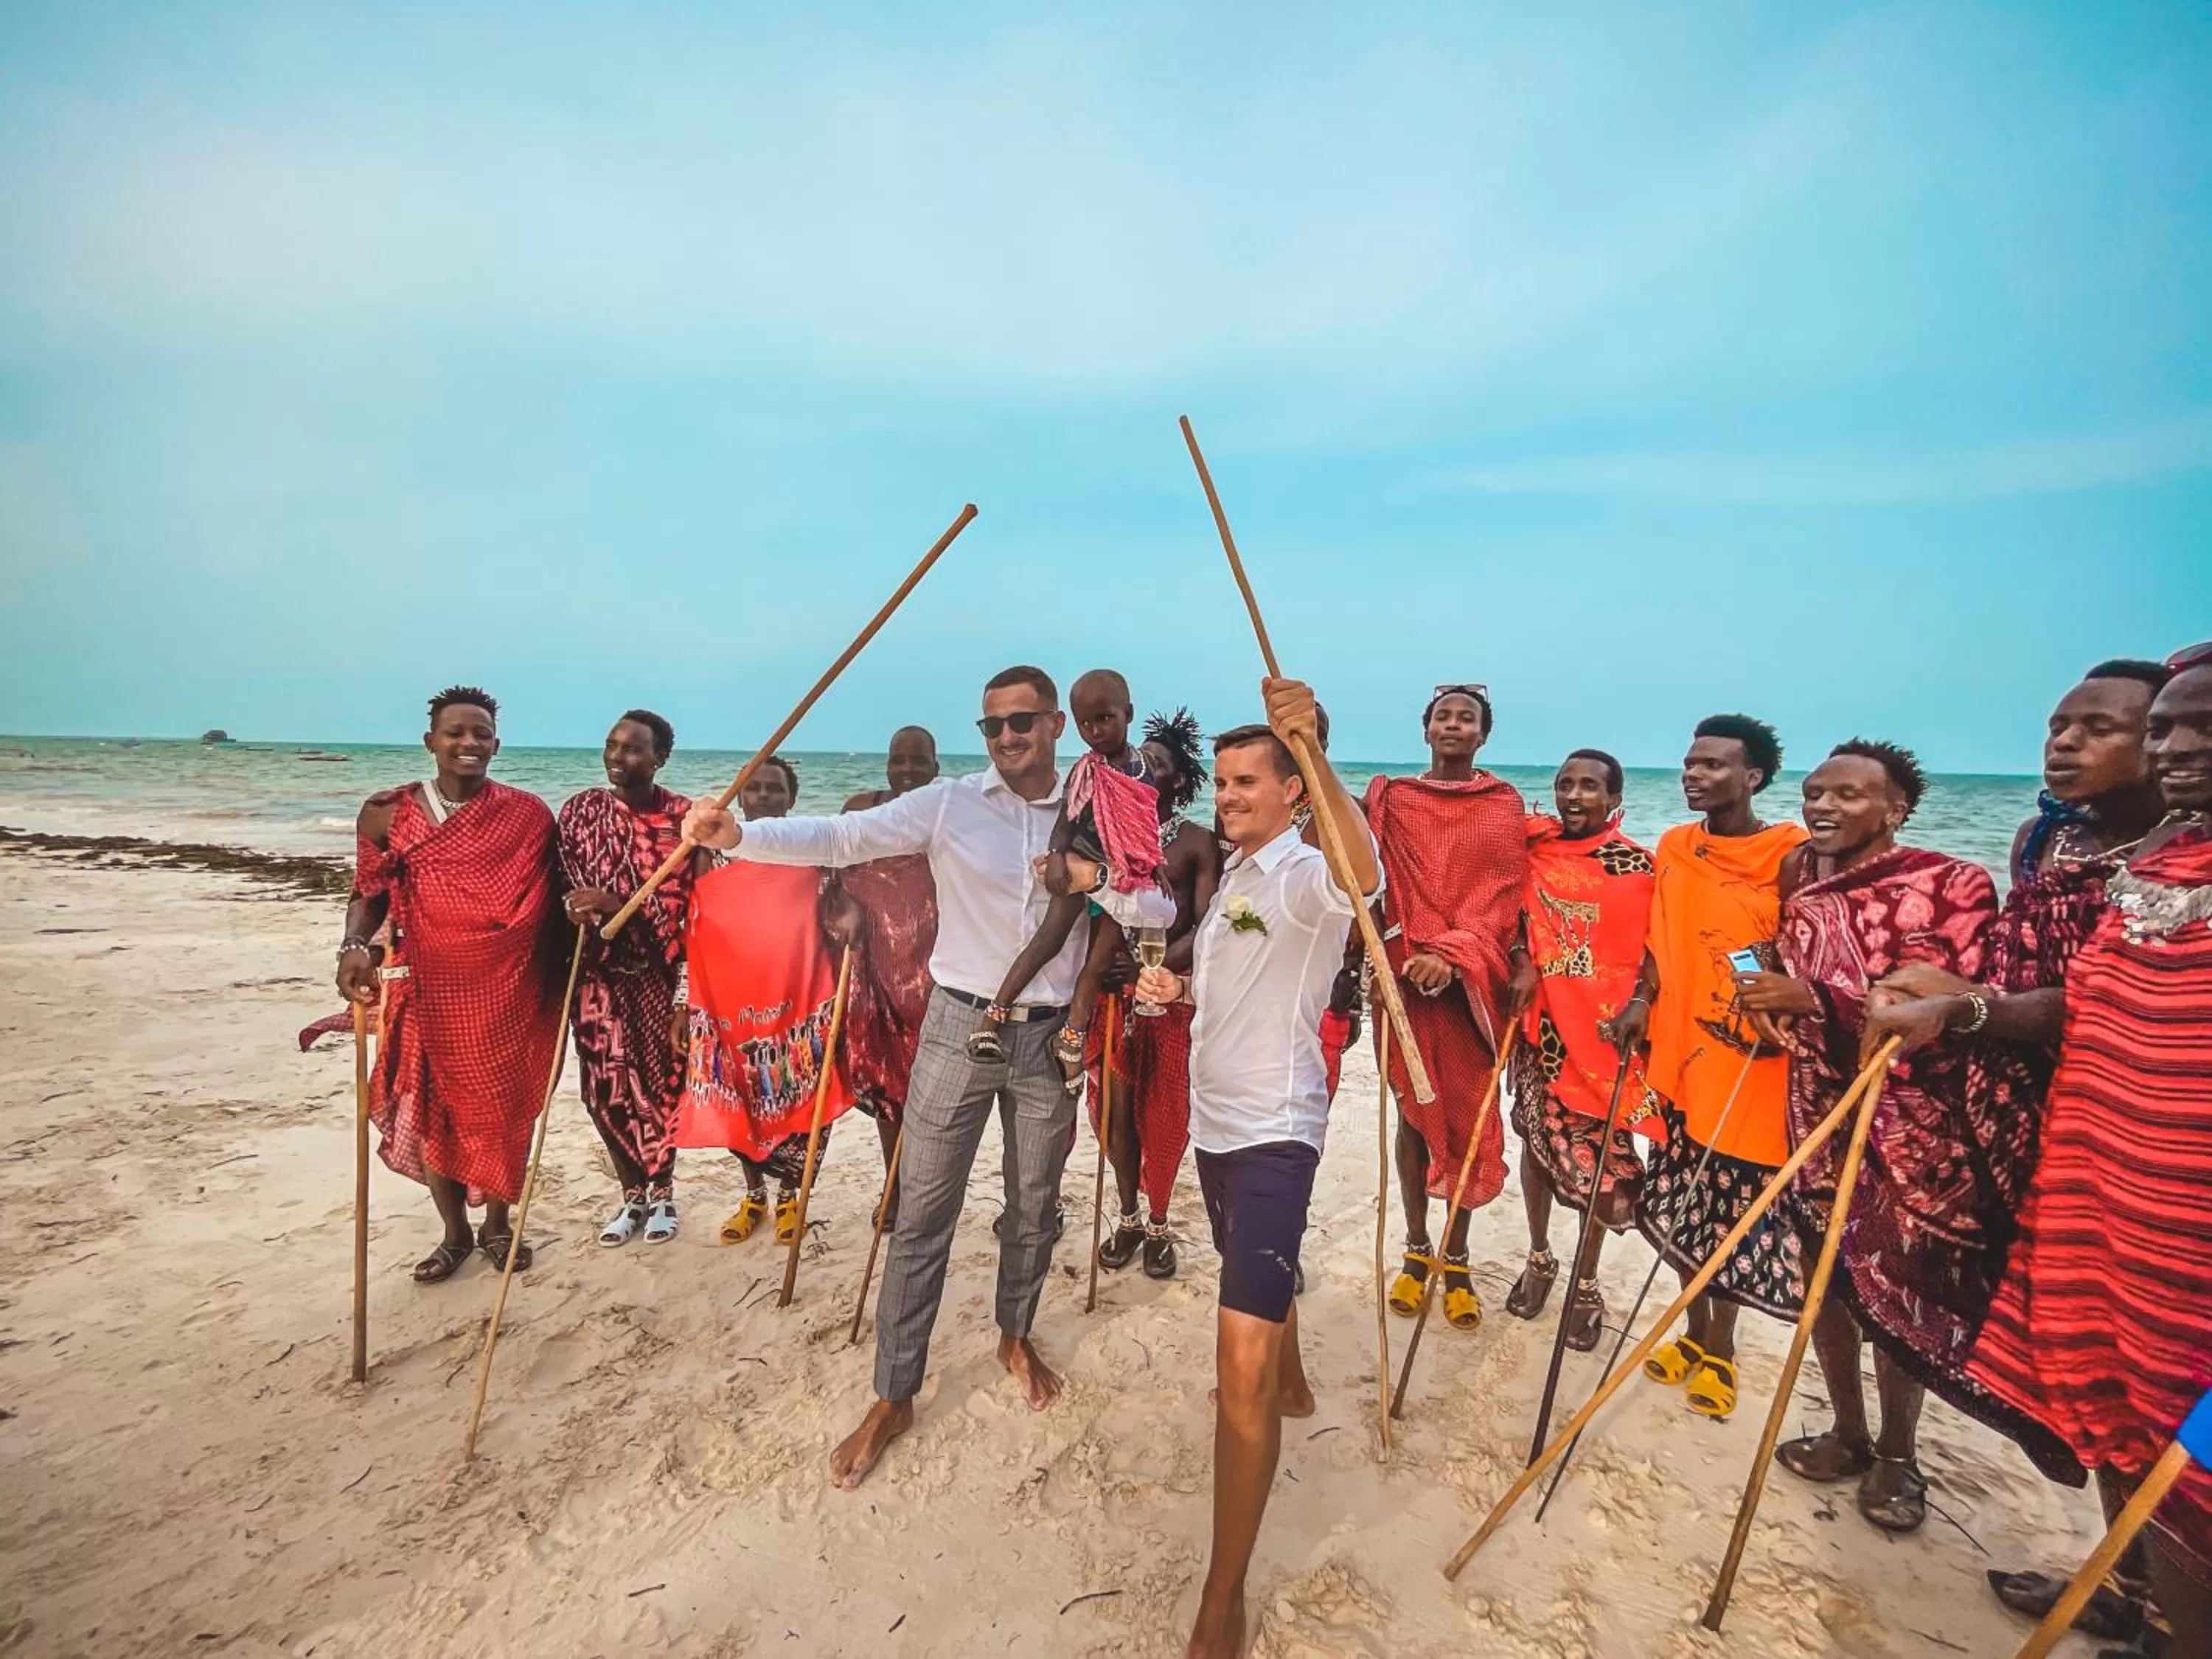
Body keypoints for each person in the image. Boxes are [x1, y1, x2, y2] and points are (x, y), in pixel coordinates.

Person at [681, 667, 1173, 1490]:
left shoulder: (1099, 803)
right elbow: (841, 842)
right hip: (956, 1025)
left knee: (1033, 1207)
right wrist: (738, 839)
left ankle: (1015, 1335)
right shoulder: (950, 803)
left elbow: (1153, 907)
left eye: (1022, 722)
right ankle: (895, 1393)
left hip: (1051, 1036)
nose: (1008, 737)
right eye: (992, 727)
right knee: (920, 1215)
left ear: (1056, 725)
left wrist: (1099, 883)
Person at [1865, 661, 2171, 1638]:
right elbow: (2005, 960)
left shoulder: (2180, 865)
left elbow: (2112, 997)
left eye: (2101, 727)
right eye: (2057, 724)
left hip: (2140, 1133)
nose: (2065, 742)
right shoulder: (2047, 835)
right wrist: (1948, 992)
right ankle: (2128, 1574)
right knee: (2090, 1345)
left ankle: (2153, 1588)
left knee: (2157, 1370)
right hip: (2020, 1113)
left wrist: (1968, 1006)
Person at [1954, 648, 2212, 1657]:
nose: (2180, 747)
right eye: (2167, 729)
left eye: (2195, 727)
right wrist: (1960, 1006)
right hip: (2094, 1173)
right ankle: (2131, 1585)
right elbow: (2087, 1000)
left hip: (2188, 1214)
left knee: (2192, 1456)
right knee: (2116, 1389)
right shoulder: (2109, 860)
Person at [1130, 678, 1380, 1659]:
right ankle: (1298, 1377)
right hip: (1214, 1127)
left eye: (1247, 781)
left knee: (1233, 1363)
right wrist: (1177, 985)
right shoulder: (1234, 878)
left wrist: (1314, 747)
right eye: (1223, 782)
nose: (1226, 795)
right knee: (1257, 1306)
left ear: (1291, 791)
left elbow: (1363, 874)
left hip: (1278, 1131)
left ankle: (1221, 1595)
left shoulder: (1307, 874)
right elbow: (1235, 978)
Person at [1733, 740, 1997, 1533]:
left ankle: (1899, 1454)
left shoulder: (1953, 881)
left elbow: (1943, 996)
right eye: (1815, 793)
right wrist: (1771, 1000)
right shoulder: (1804, 881)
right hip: (1815, 1105)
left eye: (1848, 795)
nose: (1823, 807)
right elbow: (1787, 958)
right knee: (1828, 1279)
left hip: (1912, 1119)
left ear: (1896, 807)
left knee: (1902, 1285)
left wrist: (1812, 997)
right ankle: (1847, 1430)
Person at [1608, 714, 1807, 1421]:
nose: (1694, 775)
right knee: (1685, 1198)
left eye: (1714, 766)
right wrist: (1641, 998)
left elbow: (1801, 947)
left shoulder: (1791, 852)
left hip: (1752, 1056)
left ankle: (1720, 1351)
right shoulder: (1675, 845)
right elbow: (1663, 936)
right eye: (1691, 764)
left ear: (1752, 778)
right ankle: (1693, 1335)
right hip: (1682, 1047)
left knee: (1735, 1211)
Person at [334, 686, 566, 1282]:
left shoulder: (528, 815)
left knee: (502, 1109)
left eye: (481, 734)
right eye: (456, 733)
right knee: (432, 1108)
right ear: (431, 741)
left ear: (497, 744)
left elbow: (553, 899)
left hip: (509, 989)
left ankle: (498, 1227)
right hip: (427, 988)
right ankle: (455, 1235)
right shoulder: (389, 813)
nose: (469, 743)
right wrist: (355, 948)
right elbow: (369, 893)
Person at [1366, 684, 1527, 1332]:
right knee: (1413, 1112)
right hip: (1404, 979)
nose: (1454, 724)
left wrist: (1454, 955)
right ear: (1425, 729)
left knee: (1467, 1114)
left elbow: (1503, 896)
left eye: (1467, 717)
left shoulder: (1502, 805)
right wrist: (1384, 958)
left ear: (1483, 735)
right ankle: (1416, 1247)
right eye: (1443, 716)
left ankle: (1456, 1258)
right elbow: (1371, 878)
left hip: (1471, 988)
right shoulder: (1396, 801)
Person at [1504, 748, 1664, 1352]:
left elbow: (1656, 950)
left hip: (1605, 1040)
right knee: (1535, 1145)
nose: (1574, 796)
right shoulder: (1534, 854)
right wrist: (1520, 959)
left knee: (1602, 1167)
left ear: (1614, 800)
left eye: (1589, 786)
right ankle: (1541, 1257)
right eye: (1565, 784)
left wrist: (1643, 1003)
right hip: (1542, 1032)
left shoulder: (1639, 869)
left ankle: (1588, 1283)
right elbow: (1514, 919)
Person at [676, 756, 850, 1244]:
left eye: (776, 790)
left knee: (803, 1102)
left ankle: (793, 1197)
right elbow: (694, 936)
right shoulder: (711, 858)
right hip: (731, 1003)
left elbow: (836, 923)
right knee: (741, 1103)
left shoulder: (813, 856)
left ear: (792, 799)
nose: (765, 798)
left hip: (798, 1000)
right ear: (740, 799)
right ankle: (753, 1195)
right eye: (754, 790)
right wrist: (683, 1005)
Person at [967, 668, 1165, 1080]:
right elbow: (1067, 820)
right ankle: (993, 1017)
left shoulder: (1145, 768)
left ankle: (1072, 1039)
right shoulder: (1086, 771)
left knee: (1097, 962)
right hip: (1080, 866)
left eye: (1105, 719)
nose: (1095, 730)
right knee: (1048, 941)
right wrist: (1057, 856)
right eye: (1085, 723)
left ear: (1128, 713)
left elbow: (1147, 824)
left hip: (1121, 877)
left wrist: (1155, 868)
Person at [556, 709, 696, 1246]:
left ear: (660, 758)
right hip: (595, 975)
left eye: (634, 749)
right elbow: (562, 882)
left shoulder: (683, 821)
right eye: (612, 745)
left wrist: (627, 908)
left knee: (663, 1084)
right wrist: (576, 908)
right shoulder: (580, 812)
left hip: (660, 976)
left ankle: (662, 1191)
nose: (618, 757)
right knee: (604, 1089)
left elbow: (695, 911)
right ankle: (630, 1195)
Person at [1092, 708, 1217, 1281]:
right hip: (1116, 995)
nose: (1145, 767)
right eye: (1140, 759)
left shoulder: (1195, 841)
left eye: (1159, 763)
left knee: (1165, 1117)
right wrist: (1106, 966)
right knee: (1115, 1114)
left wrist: (1160, 965)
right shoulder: (1111, 836)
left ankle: (1161, 1220)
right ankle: (1127, 1215)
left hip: (1171, 998)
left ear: (1180, 780)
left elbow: (1210, 921)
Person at [824, 726, 943, 1227]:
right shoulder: (860, 809)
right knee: (888, 1086)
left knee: (929, 1091)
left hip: (931, 973)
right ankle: (894, 1188)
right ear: (888, 764)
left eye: (920, 761)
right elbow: (829, 872)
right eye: (900, 760)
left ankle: (923, 1191)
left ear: (936, 770)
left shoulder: (946, 814)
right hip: (871, 966)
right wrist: (842, 907)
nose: (909, 770)